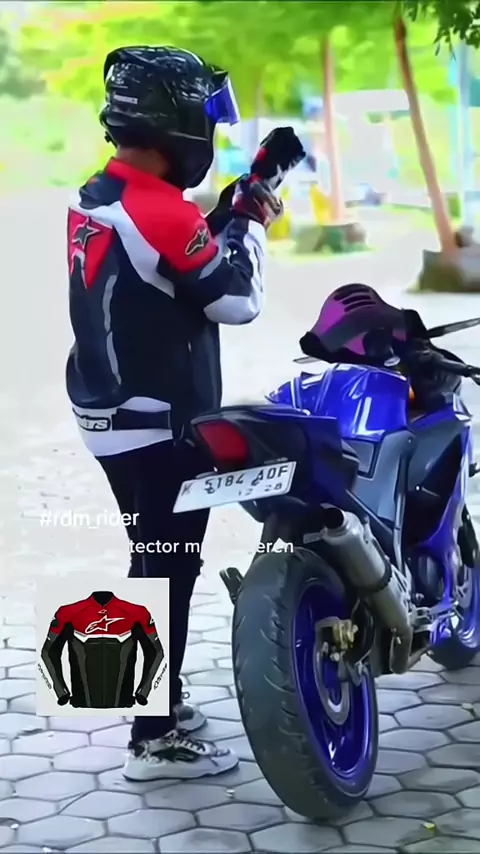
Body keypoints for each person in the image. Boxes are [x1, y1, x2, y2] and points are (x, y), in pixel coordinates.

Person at [65, 44, 304, 781]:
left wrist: (231, 204)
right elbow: (237, 299)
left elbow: (169, 255)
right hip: (157, 423)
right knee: (170, 563)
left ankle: (148, 697)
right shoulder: (162, 212)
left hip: (106, 411)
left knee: (151, 556)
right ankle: (154, 741)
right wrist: (253, 217)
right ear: (174, 124)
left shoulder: (100, 191)